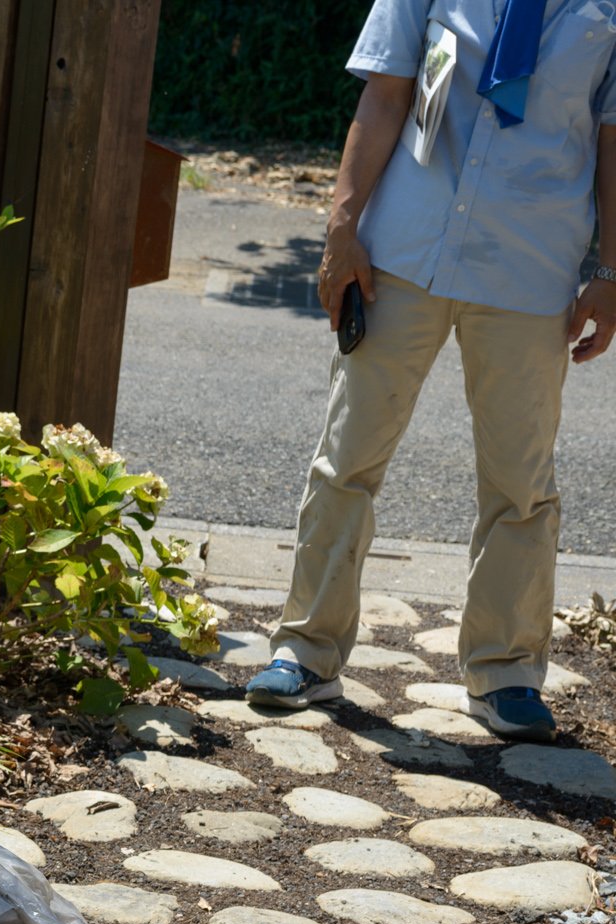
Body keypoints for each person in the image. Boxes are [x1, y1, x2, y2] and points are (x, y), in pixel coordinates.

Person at [246, 0, 616, 741]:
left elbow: (613, 141)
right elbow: (386, 95)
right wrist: (342, 227)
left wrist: (608, 269)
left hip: (532, 268)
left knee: (521, 483)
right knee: (347, 457)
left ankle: (506, 672)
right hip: (404, 253)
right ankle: (306, 649)